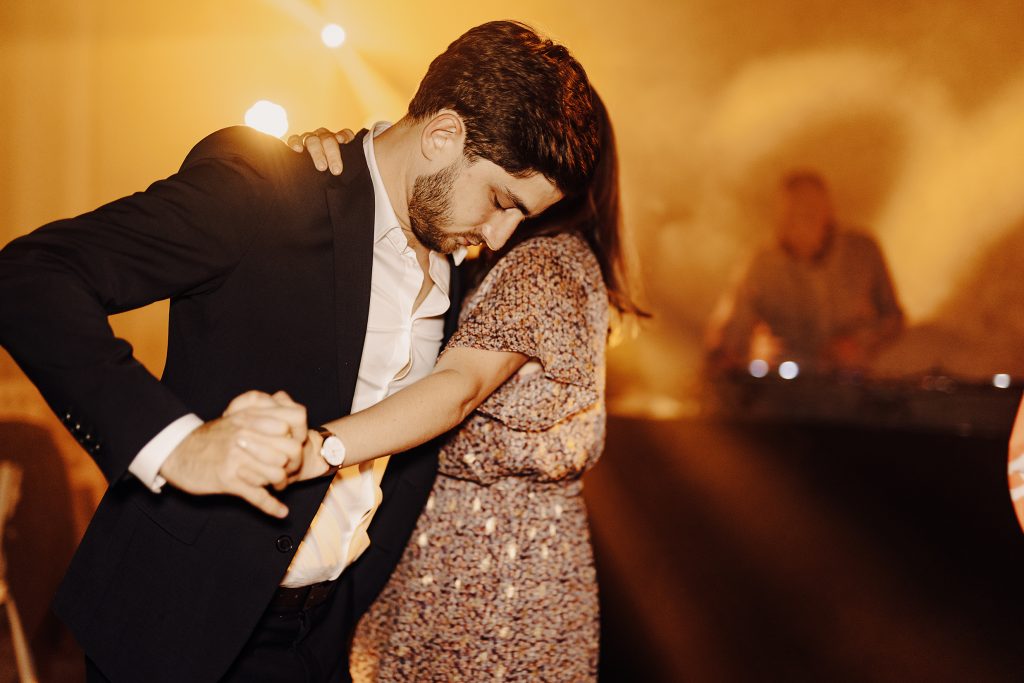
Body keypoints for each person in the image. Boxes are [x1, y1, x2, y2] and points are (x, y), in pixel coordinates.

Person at [0, 21, 600, 683]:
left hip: (324, 636)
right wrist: (175, 445)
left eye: (521, 217)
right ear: (443, 135)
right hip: (178, 626)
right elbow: (31, 279)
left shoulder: (462, 264)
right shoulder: (268, 190)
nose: (501, 235)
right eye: (500, 201)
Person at [287, 91, 636, 681]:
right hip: (490, 571)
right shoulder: (511, 256)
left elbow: (460, 389)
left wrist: (321, 448)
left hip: (486, 584)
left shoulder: (541, 266)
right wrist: (354, 165)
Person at [706, 170, 904, 375]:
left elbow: (893, 318)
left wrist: (859, 343)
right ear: (780, 217)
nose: (801, 223)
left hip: (849, 382)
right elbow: (728, 333)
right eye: (793, 215)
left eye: (810, 213)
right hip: (782, 385)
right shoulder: (761, 265)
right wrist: (742, 354)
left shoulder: (862, 251)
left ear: (828, 212)